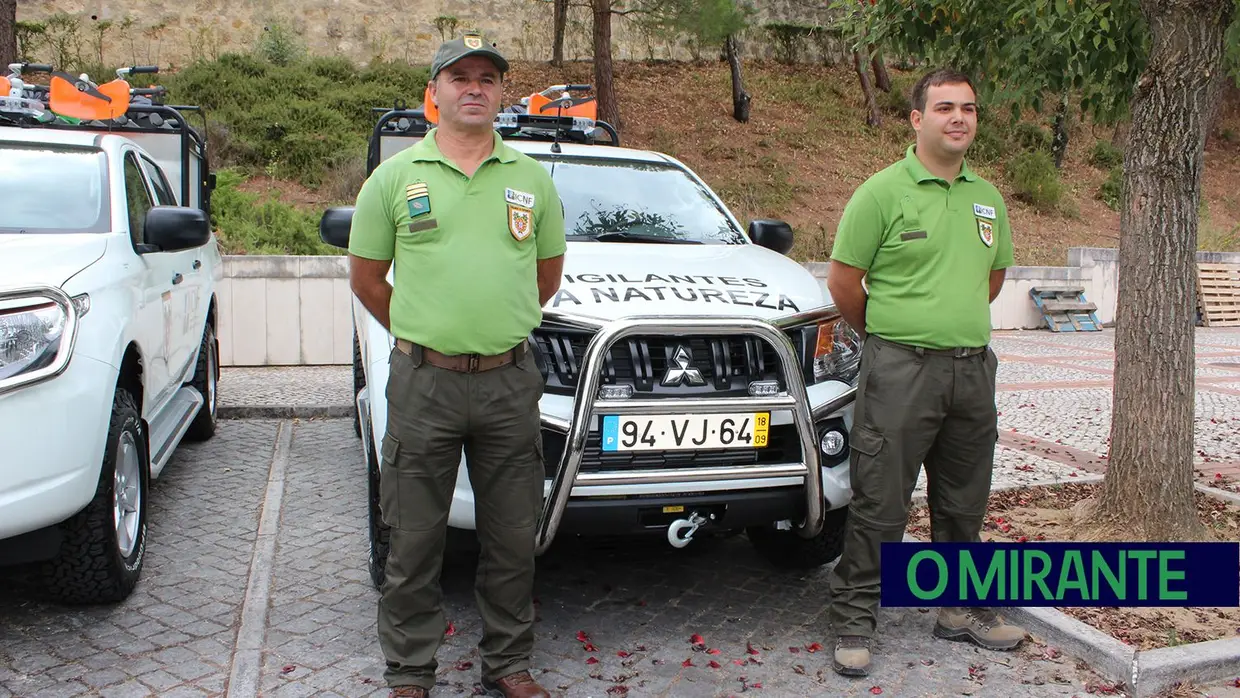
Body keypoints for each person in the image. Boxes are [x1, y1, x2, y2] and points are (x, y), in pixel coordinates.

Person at [346, 32, 566, 698]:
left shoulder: (529, 178)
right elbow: (366, 277)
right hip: (424, 385)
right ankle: (410, 670)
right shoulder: (394, 178)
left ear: (501, 92)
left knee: (510, 536)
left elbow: (546, 275)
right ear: (433, 92)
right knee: (412, 539)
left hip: (508, 382)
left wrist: (491, 326)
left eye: (488, 78)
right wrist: (426, 333)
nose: (474, 88)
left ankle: (509, 662)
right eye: (460, 77)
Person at [823, 67, 1026, 677]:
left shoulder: (987, 198)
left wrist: (950, 324)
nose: (958, 118)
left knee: (964, 501)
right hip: (900, 369)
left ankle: (960, 609)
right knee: (881, 501)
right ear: (917, 119)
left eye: (968, 108)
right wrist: (895, 336)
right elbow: (843, 284)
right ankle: (854, 613)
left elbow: (990, 281)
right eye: (944, 108)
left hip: (971, 371)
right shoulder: (881, 194)